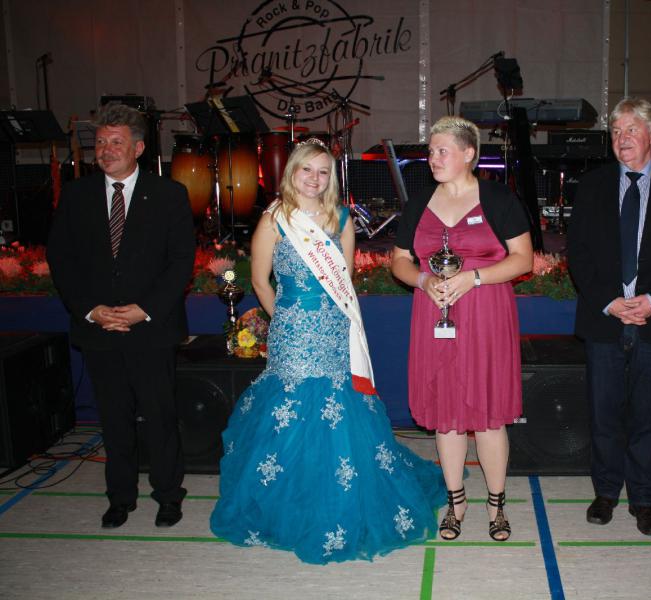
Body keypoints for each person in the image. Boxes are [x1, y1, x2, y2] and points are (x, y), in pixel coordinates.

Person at [210, 140, 445, 564]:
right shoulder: (275, 218)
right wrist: (286, 319)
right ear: (292, 173)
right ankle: (290, 502)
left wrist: (328, 321)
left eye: (323, 172)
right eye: (307, 170)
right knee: (292, 410)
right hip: (293, 332)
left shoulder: (341, 219)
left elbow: (345, 280)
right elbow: (260, 280)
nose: (314, 179)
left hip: (336, 330)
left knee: (341, 407)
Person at [47, 103, 195, 528]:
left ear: (139, 148)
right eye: (100, 142)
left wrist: (143, 311)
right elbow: (61, 259)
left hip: (150, 328)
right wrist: (91, 310)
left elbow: (180, 261)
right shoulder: (76, 196)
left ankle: (168, 496)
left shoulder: (169, 194)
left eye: (116, 142)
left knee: (160, 416)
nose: (106, 150)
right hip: (99, 329)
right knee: (113, 419)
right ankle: (120, 497)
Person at [568, 97, 651, 536]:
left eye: (631, 130)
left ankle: (644, 499)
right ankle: (606, 492)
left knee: (648, 416)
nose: (622, 138)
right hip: (605, 318)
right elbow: (578, 254)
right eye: (616, 132)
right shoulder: (592, 185)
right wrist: (609, 301)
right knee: (603, 414)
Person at [391, 116, 533, 541]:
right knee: (446, 415)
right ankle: (456, 502)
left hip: (486, 313)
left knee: (489, 416)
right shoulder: (419, 202)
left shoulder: (497, 198)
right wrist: (423, 281)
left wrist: (474, 278)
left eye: (442, 151)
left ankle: (496, 504)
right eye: (431, 151)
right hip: (433, 313)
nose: (433, 158)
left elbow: (523, 259)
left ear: (469, 153)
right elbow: (399, 261)